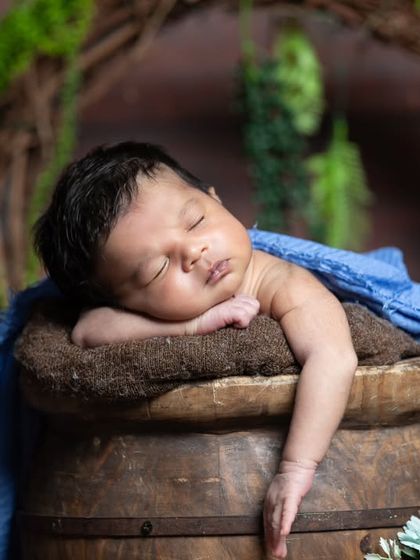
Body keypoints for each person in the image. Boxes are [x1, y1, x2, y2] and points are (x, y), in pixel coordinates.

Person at [34, 141, 358, 559]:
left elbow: (333, 355)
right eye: (158, 268)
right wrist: (193, 324)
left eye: (195, 221)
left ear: (214, 197)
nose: (193, 252)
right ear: (123, 302)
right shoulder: (119, 314)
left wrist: (296, 468)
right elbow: (87, 330)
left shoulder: (281, 280)